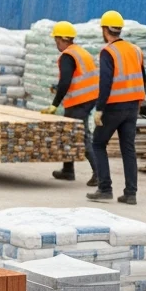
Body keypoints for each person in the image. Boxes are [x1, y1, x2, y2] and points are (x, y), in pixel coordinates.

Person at [87, 10, 146, 205]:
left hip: (114, 106)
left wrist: (99, 108)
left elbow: (105, 82)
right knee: (128, 148)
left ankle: (105, 188)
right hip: (132, 106)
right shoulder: (136, 50)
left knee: (97, 143)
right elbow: (144, 79)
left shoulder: (108, 51)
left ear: (105, 30)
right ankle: (131, 193)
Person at [45, 21, 99, 185]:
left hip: (80, 101)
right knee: (69, 132)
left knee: (82, 136)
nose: (56, 43)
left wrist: (55, 104)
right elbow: (78, 77)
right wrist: (59, 86)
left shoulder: (68, 56)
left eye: (56, 40)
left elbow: (66, 81)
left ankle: (100, 174)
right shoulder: (80, 51)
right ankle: (68, 170)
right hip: (88, 97)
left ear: (62, 39)